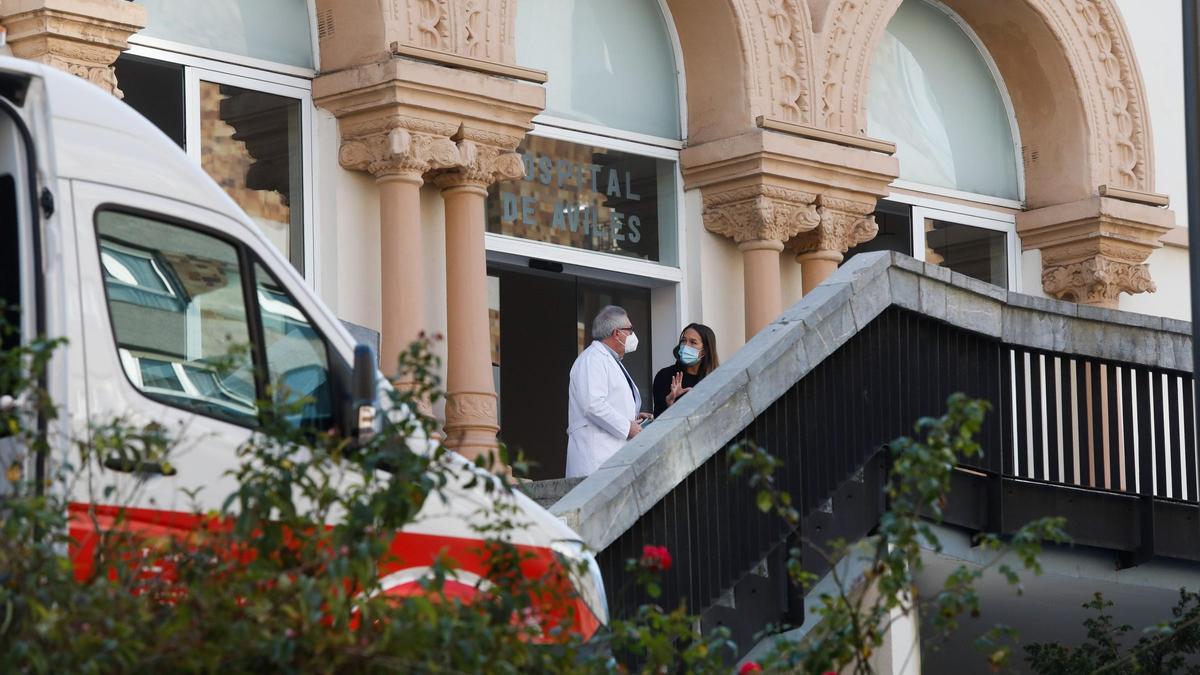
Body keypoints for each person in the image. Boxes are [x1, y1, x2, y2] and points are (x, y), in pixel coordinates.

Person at [565, 306, 652, 478]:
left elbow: (607, 402)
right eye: (630, 330)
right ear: (617, 333)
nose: (632, 336)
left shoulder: (608, 359)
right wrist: (628, 427)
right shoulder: (592, 359)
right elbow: (593, 405)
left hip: (611, 456)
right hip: (595, 459)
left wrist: (633, 417)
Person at [652, 323, 719, 417]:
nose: (685, 346)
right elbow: (658, 419)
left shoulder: (716, 380)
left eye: (693, 342)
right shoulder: (665, 376)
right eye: (683, 341)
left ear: (705, 350)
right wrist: (670, 403)